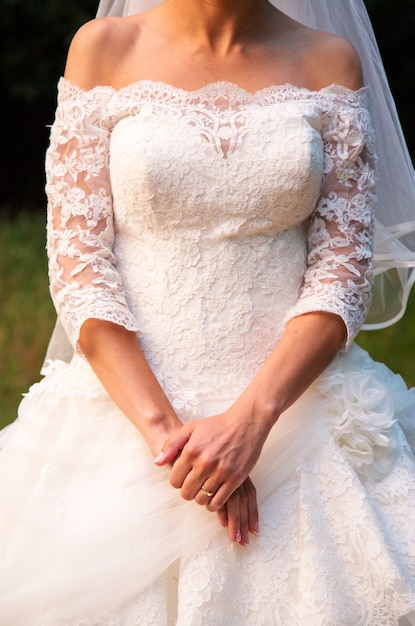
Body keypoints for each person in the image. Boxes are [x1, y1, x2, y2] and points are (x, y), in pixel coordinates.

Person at [1, 0, 415, 623]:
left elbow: (341, 274)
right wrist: (172, 443)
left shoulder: (330, 61)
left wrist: (251, 423)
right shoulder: (103, 49)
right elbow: (79, 263)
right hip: (133, 412)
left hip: (293, 413)